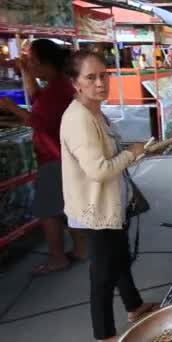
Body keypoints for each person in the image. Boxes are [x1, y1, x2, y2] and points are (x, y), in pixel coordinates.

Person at [60, 50, 156, 342]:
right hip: (95, 209)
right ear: (75, 83)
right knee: (102, 275)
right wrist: (132, 153)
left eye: (104, 75)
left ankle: (134, 306)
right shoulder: (78, 118)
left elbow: (107, 154)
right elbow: (100, 170)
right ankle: (104, 335)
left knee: (120, 258)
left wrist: (134, 150)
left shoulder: (94, 111)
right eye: (91, 77)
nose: (100, 82)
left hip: (112, 202)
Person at [0, 38, 87, 274]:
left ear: (42, 62)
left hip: (55, 155)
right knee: (70, 205)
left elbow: (37, 121)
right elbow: (36, 97)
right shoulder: (59, 84)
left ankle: (57, 257)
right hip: (65, 154)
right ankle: (80, 249)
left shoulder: (59, 88)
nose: (30, 65)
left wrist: (8, 105)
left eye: (31, 61)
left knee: (49, 210)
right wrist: (26, 72)